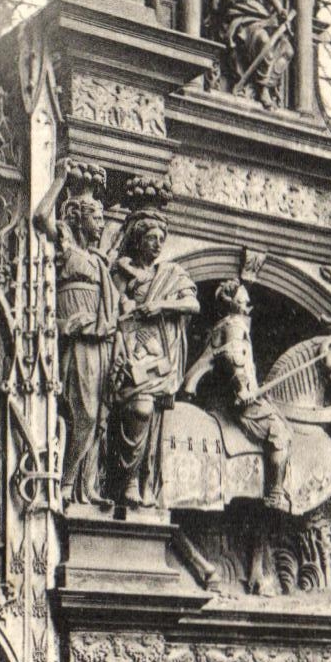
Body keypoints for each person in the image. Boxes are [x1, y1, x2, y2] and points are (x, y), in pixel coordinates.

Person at [108, 210, 199, 506]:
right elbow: (112, 308)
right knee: (140, 409)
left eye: (162, 238)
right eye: (151, 238)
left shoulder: (171, 273)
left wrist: (161, 305)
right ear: (138, 240)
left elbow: (192, 304)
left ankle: (142, 481)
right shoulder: (123, 271)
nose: (158, 244)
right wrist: (126, 306)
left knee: (154, 416)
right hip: (132, 348)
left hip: (160, 353)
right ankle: (126, 480)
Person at [36, 176, 117, 505]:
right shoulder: (66, 243)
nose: (101, 223)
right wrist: (59, 180)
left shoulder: (98, 259)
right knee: (84, 414)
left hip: (99, 341)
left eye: (102, 217)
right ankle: (66, 483)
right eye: (96, 217)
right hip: (78, 341)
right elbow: (40, 217)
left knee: (98, 417)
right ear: (78, 217)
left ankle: (87, 486)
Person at [180, 280, 292, 510]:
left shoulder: (222, 325)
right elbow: (234, 358)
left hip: (222, 397)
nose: (248, 304)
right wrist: (243, 390)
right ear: (231, 303)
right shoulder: (234, 324)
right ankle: (275, 493)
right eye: (243, 300)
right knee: (279, 431)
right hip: (237, 401)